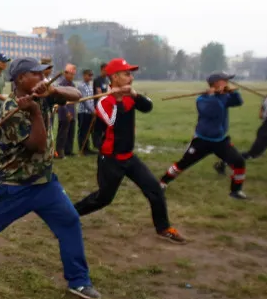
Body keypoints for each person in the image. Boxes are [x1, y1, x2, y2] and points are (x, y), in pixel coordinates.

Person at [0, 58, 101, 299]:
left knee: (70, 222)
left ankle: (79, 281)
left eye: (43, 74)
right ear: (22, 78)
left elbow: (76, 94)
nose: (42, 77)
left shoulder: (46, 93)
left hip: (45, 182)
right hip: (13, 185)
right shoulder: (11, 109)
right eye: (36, 74)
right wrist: (35, 112)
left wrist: (54, 90)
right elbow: (38, 145)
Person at [73, 59, 185, 243]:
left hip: (129, 157)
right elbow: (113, 123)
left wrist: (134, 95)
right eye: (127, 74)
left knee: (155, 190)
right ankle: (70, 214)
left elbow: (148, 107)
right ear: (115, 77)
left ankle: (163, 228)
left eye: (131, 74)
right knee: (103, 198)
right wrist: (117, 101)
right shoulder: (104, 102)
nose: (131, 77)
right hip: (110, 159)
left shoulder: (130, 96)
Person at [159, 72, 248, 200]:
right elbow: (213, 111)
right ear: (216, 83)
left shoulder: (224, 96)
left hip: (221, 140)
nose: (228, 83)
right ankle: (162, 182)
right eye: (225, 81)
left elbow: (238, 102)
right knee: (183, 164)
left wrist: (233, 93)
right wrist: (212, 96)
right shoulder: (202, 99)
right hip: (202, 140)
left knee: (239, 162)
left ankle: (236, 191)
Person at [54, 64, 77, 158]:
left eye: (73, 74)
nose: (71, 76)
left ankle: (69, 150)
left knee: (71, 133)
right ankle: (59, 152)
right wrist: (66, 112)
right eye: (70, 74)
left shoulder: (73, 85)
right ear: (65, 74)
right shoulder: (61, 85)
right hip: (64, 113)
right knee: (62, 134)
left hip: (72, 111)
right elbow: (61, 102)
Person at [76, 68, 97, 155]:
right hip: (83, 112)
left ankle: (87, 148)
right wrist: (92, 110)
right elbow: (85, 100)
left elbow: (92, 99)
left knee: (89, 131)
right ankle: (83, 149)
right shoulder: (81, 86)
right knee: (83, 131)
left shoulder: (90, 85)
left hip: (90, 112)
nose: (90, 77)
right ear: (84, 76)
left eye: (91, 75)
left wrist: (93, 110)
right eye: (89, 75)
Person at [91, 63, 110, 149]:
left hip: (106, 106)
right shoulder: (98, 80)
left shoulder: (106, 80)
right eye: (106, 70)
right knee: (98, 127)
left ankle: (104, 143)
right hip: (99, 106)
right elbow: (99, 94)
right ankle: (97, 144)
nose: (107, 72)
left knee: (106, 127)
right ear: (102, 70)